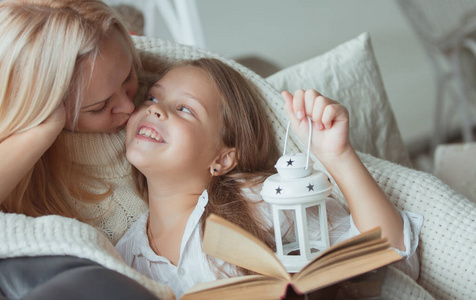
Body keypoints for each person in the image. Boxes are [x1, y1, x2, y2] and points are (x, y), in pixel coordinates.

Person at [116, 58, 423, 298]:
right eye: (153, 98)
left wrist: (337, 155)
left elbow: (387, 248)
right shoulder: (122, 256)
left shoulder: (255, 199)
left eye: (185, 109)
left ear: (222, 159)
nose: (156, 111)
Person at [0, 0, 165, 299]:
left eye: (128, 77)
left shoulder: (154, 85)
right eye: (99, 106)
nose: (129, 106)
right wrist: (42, 131)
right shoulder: (28, 155)